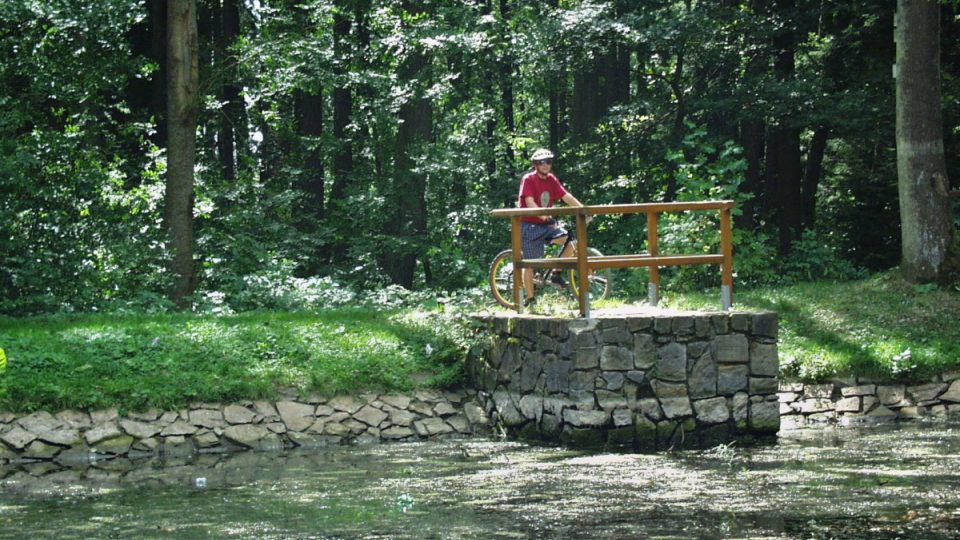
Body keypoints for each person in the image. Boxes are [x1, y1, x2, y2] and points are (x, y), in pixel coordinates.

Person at [517, 148, 584, 306]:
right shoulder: (529, 179)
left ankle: (556, 272)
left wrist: (583, 209)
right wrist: (542, 215)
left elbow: (565, 196)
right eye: (542, 162)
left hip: (546, 223)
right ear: (536, 164)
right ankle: (530, 297)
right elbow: (529, 201)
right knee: (530, 263)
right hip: (530, 225)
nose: (546, 165)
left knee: (572, 241)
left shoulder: (552, 179)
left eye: (548, 161)